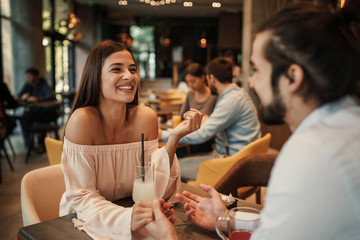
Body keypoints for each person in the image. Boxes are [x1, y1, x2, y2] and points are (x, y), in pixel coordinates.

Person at [146, 2, 360, 240]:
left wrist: (168, 238)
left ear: (293, 77)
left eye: (257, 70)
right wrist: (227, 220)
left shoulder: (313, 155)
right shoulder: (344, 127)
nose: (252, 83)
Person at [59, 40, 202, 240]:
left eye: (132, 69)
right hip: (84, 220)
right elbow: (82, 198)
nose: (129, 76)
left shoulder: (146, 118)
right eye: (116, 69)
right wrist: (128, 218)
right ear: (95, 76)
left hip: (132, 213)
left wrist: (175, 137)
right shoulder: (82, 121)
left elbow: (152, 183)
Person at [160, 57, 260, 180]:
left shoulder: (231, 100)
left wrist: (163, 134)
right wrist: (208, 119)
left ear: (211, 78)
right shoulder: (238, 94)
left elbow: (202, 134)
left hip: (230, 161)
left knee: (172, 166)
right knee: (180, 159)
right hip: (239, 157)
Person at [160, 62, 218, 156]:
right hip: (188, 136)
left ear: (202, 78)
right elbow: (181, 116)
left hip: (204, 141)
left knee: (176, 153)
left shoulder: (214, 97)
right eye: (188, 82)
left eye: (193, 81)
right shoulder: (190, 94)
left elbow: (214, 124)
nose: (190, 85)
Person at [16, 67, 58, 147]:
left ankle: (40, 141)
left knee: (39, 119)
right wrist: (23, 97)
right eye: (27, 76)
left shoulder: (42, 83)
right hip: (35, 111)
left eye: (29, 76)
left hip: (45, 112)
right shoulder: (28, 84)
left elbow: (50, 96)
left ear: (36, 76)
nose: (27, 78)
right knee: (24, 118)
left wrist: (37, 99)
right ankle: (29, 143)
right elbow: (19, 96)